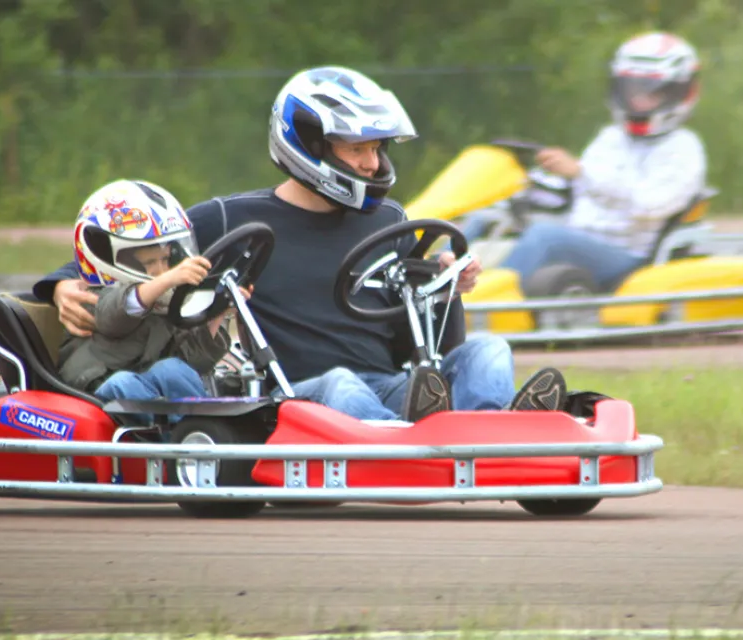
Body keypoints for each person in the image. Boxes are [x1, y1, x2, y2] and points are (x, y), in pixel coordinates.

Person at [35, 66, 569, 422]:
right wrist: (60, 284)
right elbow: (127, 251)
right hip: (298, 398)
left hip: (391, 384)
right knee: (341, 385)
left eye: (377, 148)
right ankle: (420, 447)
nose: (371, 164)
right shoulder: (229, 218)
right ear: (308, 145)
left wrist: (444, 284)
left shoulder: (391, 219)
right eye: (356, 148)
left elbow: (420, 333)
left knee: (491, 351)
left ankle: (490, 435)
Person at [476, 31, 709, 293]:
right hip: (578, 236)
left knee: (545, 238)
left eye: (651, 92)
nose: (639, 100)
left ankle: (480, 303)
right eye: (632, 90)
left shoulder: (684, 148)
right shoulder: (611, 138)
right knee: (482, 219)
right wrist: (523, 192)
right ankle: (431, 291)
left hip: (627, 254)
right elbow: (577, 192)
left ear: (679, 93)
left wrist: (581, 173)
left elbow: (650, 205)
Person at [54, 178, 239, 424]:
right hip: (94, 387)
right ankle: (157, 445)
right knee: (125, 385)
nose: (162, 270)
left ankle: (201, 434)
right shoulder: (87, 295)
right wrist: (169, 279)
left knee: (173, 369)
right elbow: (115, 316)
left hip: (147, 383)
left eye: (165, 260)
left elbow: (193, 360)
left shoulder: (162, 302)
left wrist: (218, 312)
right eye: (150, 263)